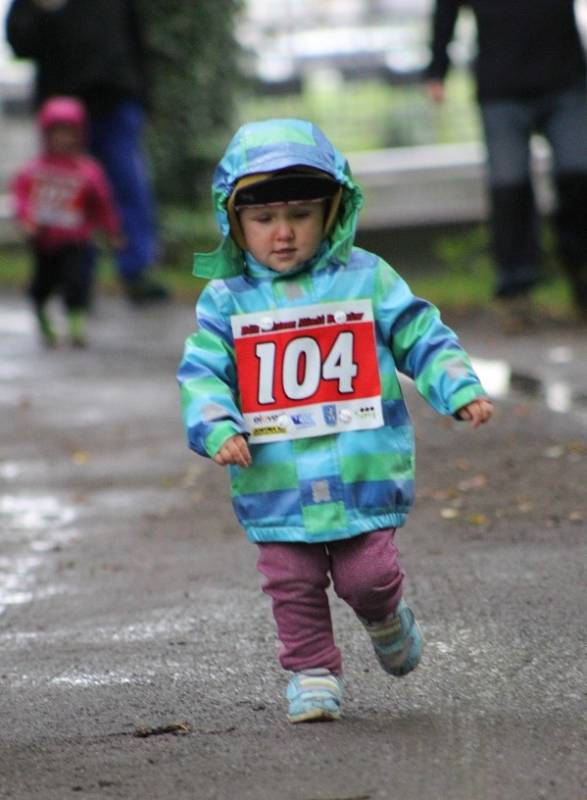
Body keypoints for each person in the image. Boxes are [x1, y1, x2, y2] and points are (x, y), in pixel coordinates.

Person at [177, 119, 494, 723]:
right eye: (264, 218)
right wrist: (217, 425)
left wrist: (458, 388)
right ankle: (312, 671)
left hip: (360, 467)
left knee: (367, 575)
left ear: (334, 210)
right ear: (234, 222)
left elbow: (418, 332)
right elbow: (202, 373)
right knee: (290, 581)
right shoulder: (226, 299)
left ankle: (384, 615)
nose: (284, 232)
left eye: (299, 213)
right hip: (274, 479)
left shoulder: (366, 277)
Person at [425, 0, 587, 329]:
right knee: (508, 189)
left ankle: (580, 274)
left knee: (579, 177)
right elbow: (446, 8)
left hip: (565, 79)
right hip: (501, 88)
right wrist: (437, 69)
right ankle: (515, 292)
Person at [5, 0, 169, 304]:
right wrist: (43, 9)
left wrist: (143, 99)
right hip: (63, 109)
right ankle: (72, 277)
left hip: (115, 98)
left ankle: (136, 272)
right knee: (68, 193)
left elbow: (136, 38)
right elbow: (19, 43)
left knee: (128, 188)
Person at [10, 95, 122, 347]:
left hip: (76, 239)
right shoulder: (34, 169)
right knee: (42, 285)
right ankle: (42, 316)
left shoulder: (88, 171)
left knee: (77, 282)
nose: (62, 139)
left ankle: (76, 323)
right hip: (45, 240)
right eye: (56, 133)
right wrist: (26, 220)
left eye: (68, 132)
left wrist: (111, 230)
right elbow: (21, 197)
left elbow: (103, 203)